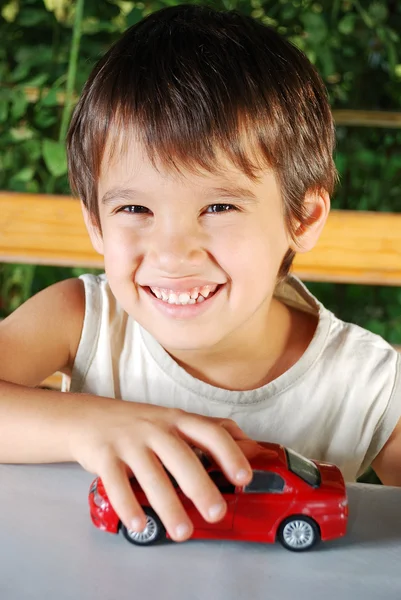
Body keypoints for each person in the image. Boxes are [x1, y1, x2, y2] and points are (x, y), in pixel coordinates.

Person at [0, 4, 400, 543]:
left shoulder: (369, 387)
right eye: (134, 210)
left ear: (300, 219)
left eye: (219, 208)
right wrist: (88, 425)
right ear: (95, 223)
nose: (172, 253)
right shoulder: (83, 317)